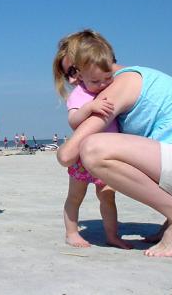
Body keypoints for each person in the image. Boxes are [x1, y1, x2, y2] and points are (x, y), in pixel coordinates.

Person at [55, 30, 172, 257]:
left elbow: (67, 156)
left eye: (73, 71)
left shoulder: (121, 85)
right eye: (67, 75)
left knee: (92, 148)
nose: (72, 81)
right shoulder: (137, 75)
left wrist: (65, 144)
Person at [52, 31, 132, 249]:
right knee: (75, 196)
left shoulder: (112, 87)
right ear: (81, 76)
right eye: (95, 81)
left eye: (107, 79)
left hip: (106, 155)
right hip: (81, 157)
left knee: (107, 197)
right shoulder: (79, 94)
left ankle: (112, 235)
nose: (102, 84)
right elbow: (73, 120)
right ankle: (71, 233)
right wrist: (89, 108)